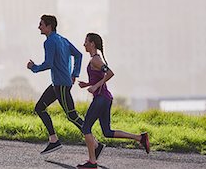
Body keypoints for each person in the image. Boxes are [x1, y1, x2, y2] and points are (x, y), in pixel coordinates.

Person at [27, 15, 105, 158]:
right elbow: (79, 55)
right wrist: (74, 73)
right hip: (58, 84)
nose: (39, 27)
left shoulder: (50, 42)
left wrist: (34, 67)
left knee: (72, 116)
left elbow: (49, 63)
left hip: (61, 85)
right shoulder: (62, 40)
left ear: (49, 26)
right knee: (39, 108)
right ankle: (53, 140)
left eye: (41, 24)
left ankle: (96, 144)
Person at [76, 32, 150, 169]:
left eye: (86, 41)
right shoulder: (94, 59)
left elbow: (110, 73)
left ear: (92, 44)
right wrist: (87, 84)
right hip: (105, 98)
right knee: (107, 132)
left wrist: (95, 86)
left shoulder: (95, 60)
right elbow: (99, 77)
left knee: (86, 127)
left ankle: (92, 162)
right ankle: (140, 138)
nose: (84, 44)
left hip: (101, 98)